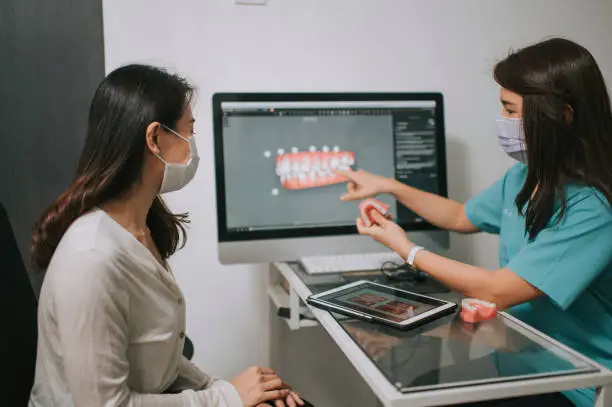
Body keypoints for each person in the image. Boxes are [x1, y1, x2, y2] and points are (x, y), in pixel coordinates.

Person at [338, 37, 612, 407]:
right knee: (422, 387)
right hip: (521, 356)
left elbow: (497, 290)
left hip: (577, 383)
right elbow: (459, 216)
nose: (504, 122)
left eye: (512, 110)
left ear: (561, 116)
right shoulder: (525, 177)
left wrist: (405, 248)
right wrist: (388, 186)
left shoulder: (593, 208)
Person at [29, 64, 305, 407]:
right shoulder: (91, 260)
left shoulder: (141, 230)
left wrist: (226, 388)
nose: (193, 146)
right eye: (189, 131)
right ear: (155, 139)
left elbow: (159, 359)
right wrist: (226, 398)